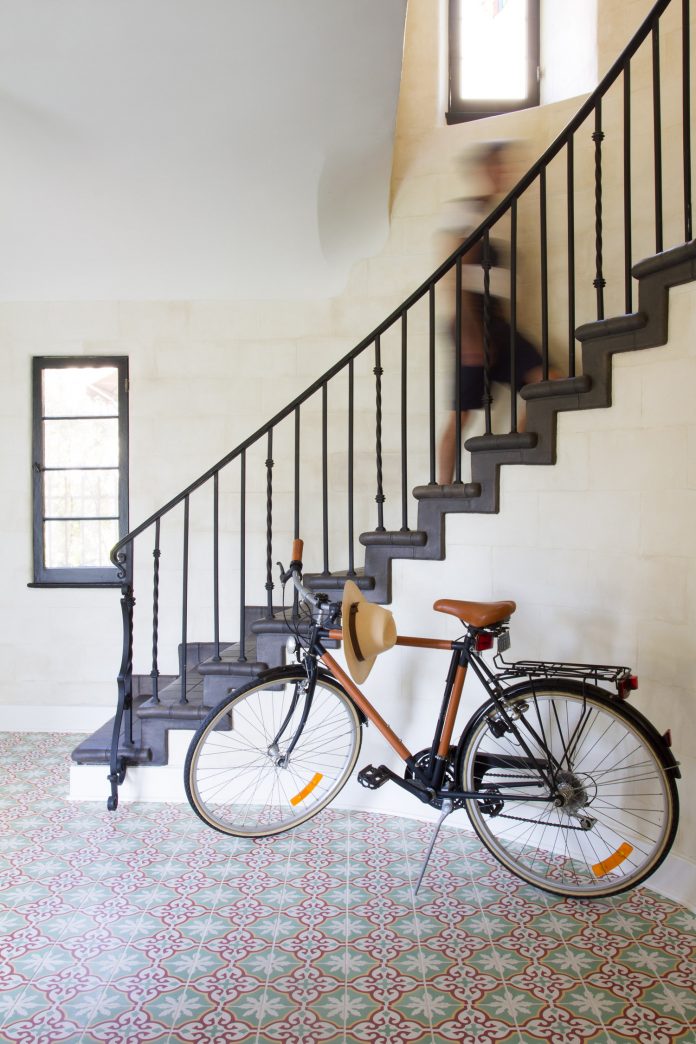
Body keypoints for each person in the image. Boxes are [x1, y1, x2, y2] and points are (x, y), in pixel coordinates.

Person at [437, 141, 562, 486]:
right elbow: (452, 274)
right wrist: (471, 334)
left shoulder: (494, 215)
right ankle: (442, 488)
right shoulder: (466, 213)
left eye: (504, 167)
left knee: (548, 378)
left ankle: (504, 453)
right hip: (472, 324)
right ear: (482, 172)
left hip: (499, 325)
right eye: (497, 167)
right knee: (462, 413)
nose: (502, 173)